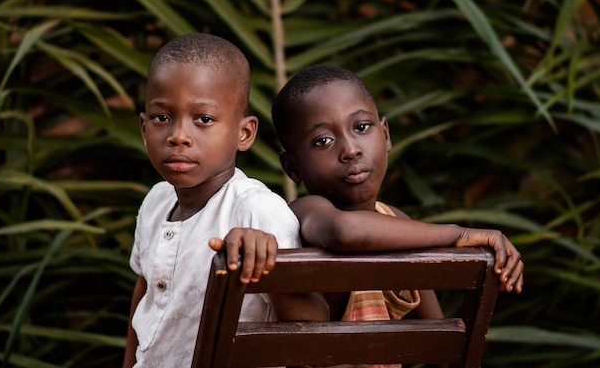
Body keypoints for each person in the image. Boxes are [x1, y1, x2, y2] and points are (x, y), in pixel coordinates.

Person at [123, 34, 328, 368]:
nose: (179, 136)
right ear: (144, 128)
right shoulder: (156, 201)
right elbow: (145, 296)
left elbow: (313, 325)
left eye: (203, 119)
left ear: (243, 133)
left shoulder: (256, 211)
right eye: (162, 118)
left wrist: (266, 269)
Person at [271, 64, 524, 327]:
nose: (350, 149)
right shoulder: (303, 212)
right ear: (293, 166)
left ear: (386, 134)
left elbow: (437, 339)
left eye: (361, 127)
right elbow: (344, 231)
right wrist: (459, 235)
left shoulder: (396, 221)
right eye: (323, 141)